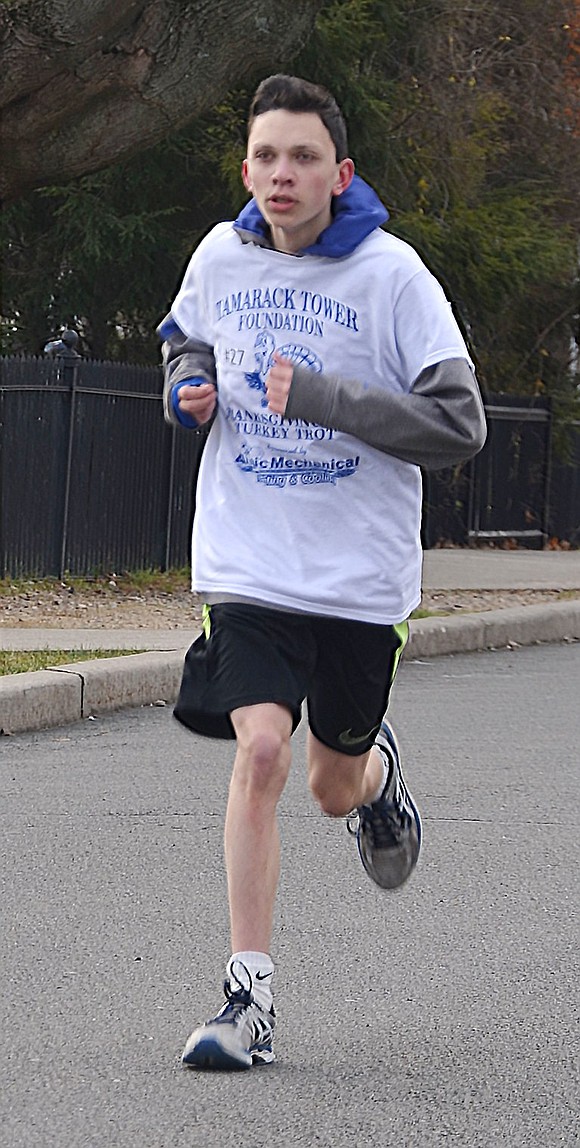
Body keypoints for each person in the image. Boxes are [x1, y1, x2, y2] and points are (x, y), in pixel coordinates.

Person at [158, 73, 486, 1071]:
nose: (281, 174)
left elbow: (459, 425)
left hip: (355, 580)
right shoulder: (221, 255)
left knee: (328, 786)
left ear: (339, 174)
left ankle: (374, 775)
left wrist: (332, 399)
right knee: (258, 747)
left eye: (302, 157)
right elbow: (184, 340)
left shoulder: (392, 279)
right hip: (248, 557)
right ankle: (245, 999)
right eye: (265, 156)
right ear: (246, 168)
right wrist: (188, 390)